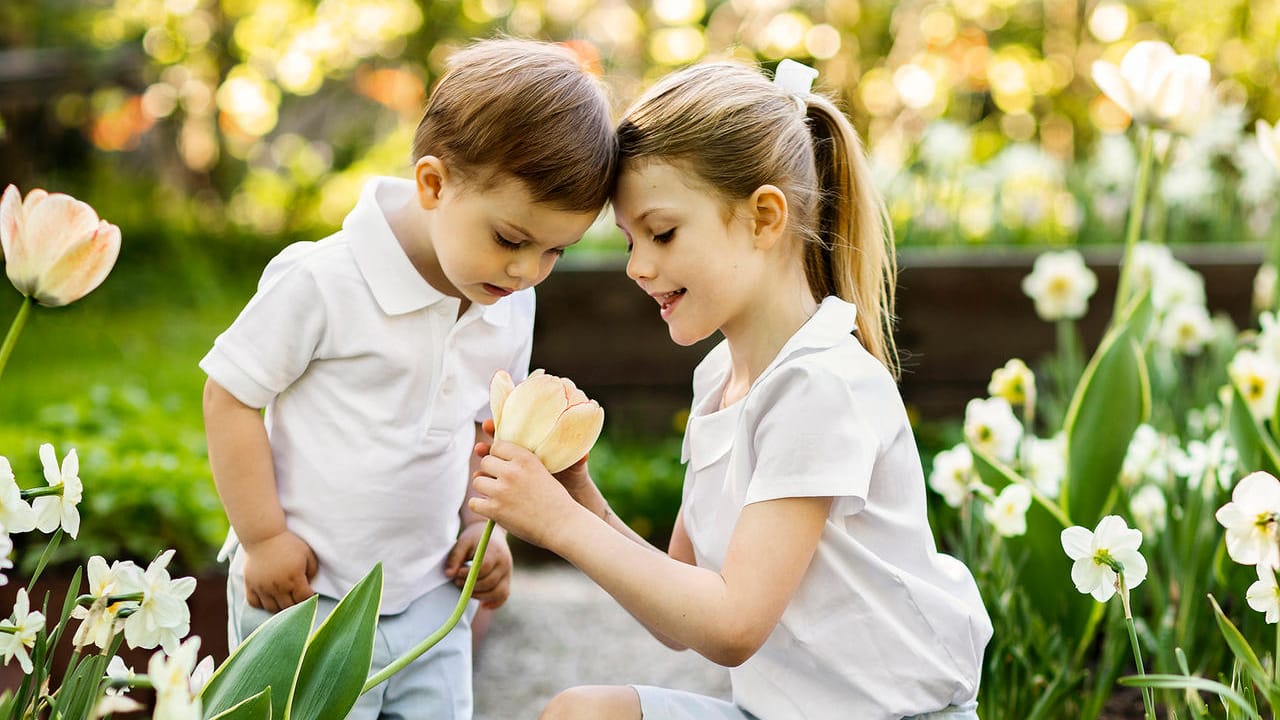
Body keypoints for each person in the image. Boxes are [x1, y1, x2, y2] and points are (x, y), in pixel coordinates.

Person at [469, 59, 992, 720]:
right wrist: (581, 497)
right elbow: (680, 613)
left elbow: (731, 626)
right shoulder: (720, 377)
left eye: (662, 233)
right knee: (582, 714)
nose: (637, 266)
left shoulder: (820, 385)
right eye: (630, 241)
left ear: (764, 219)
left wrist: (560, 524)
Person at [200, 38, 617, 719]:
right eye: (512, 240)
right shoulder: (324, 281)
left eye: (554, 251)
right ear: (432, 184)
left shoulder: (507, 303)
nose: (526, 272)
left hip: (430, 597)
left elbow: (492, 432)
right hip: (310, 599)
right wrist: (263, 538)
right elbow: (231, 395)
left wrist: (487, 533)